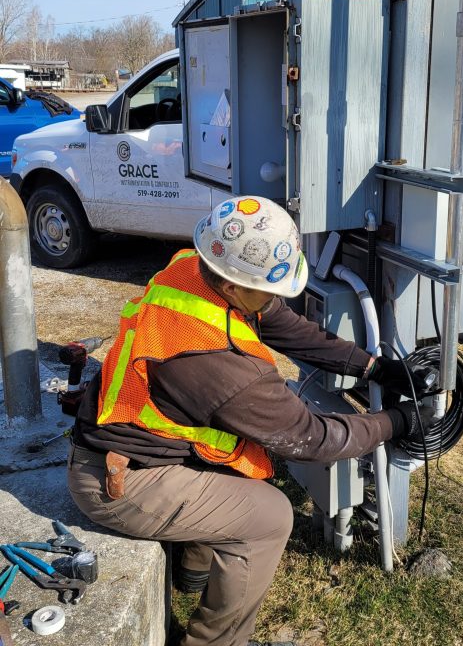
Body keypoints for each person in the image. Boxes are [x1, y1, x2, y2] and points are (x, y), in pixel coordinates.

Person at [68, 196, 434, 646]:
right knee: (269, 515)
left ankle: (194, 571)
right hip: (117, 481)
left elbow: (287, 328)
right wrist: (394, 423)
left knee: (229, 461)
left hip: (133, 446)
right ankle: (214, 641)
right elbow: (313, 438)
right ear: (234, 289)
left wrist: (372, 366)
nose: (280, 298)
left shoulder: (194, 267)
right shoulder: (224, 369)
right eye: (271, 289)